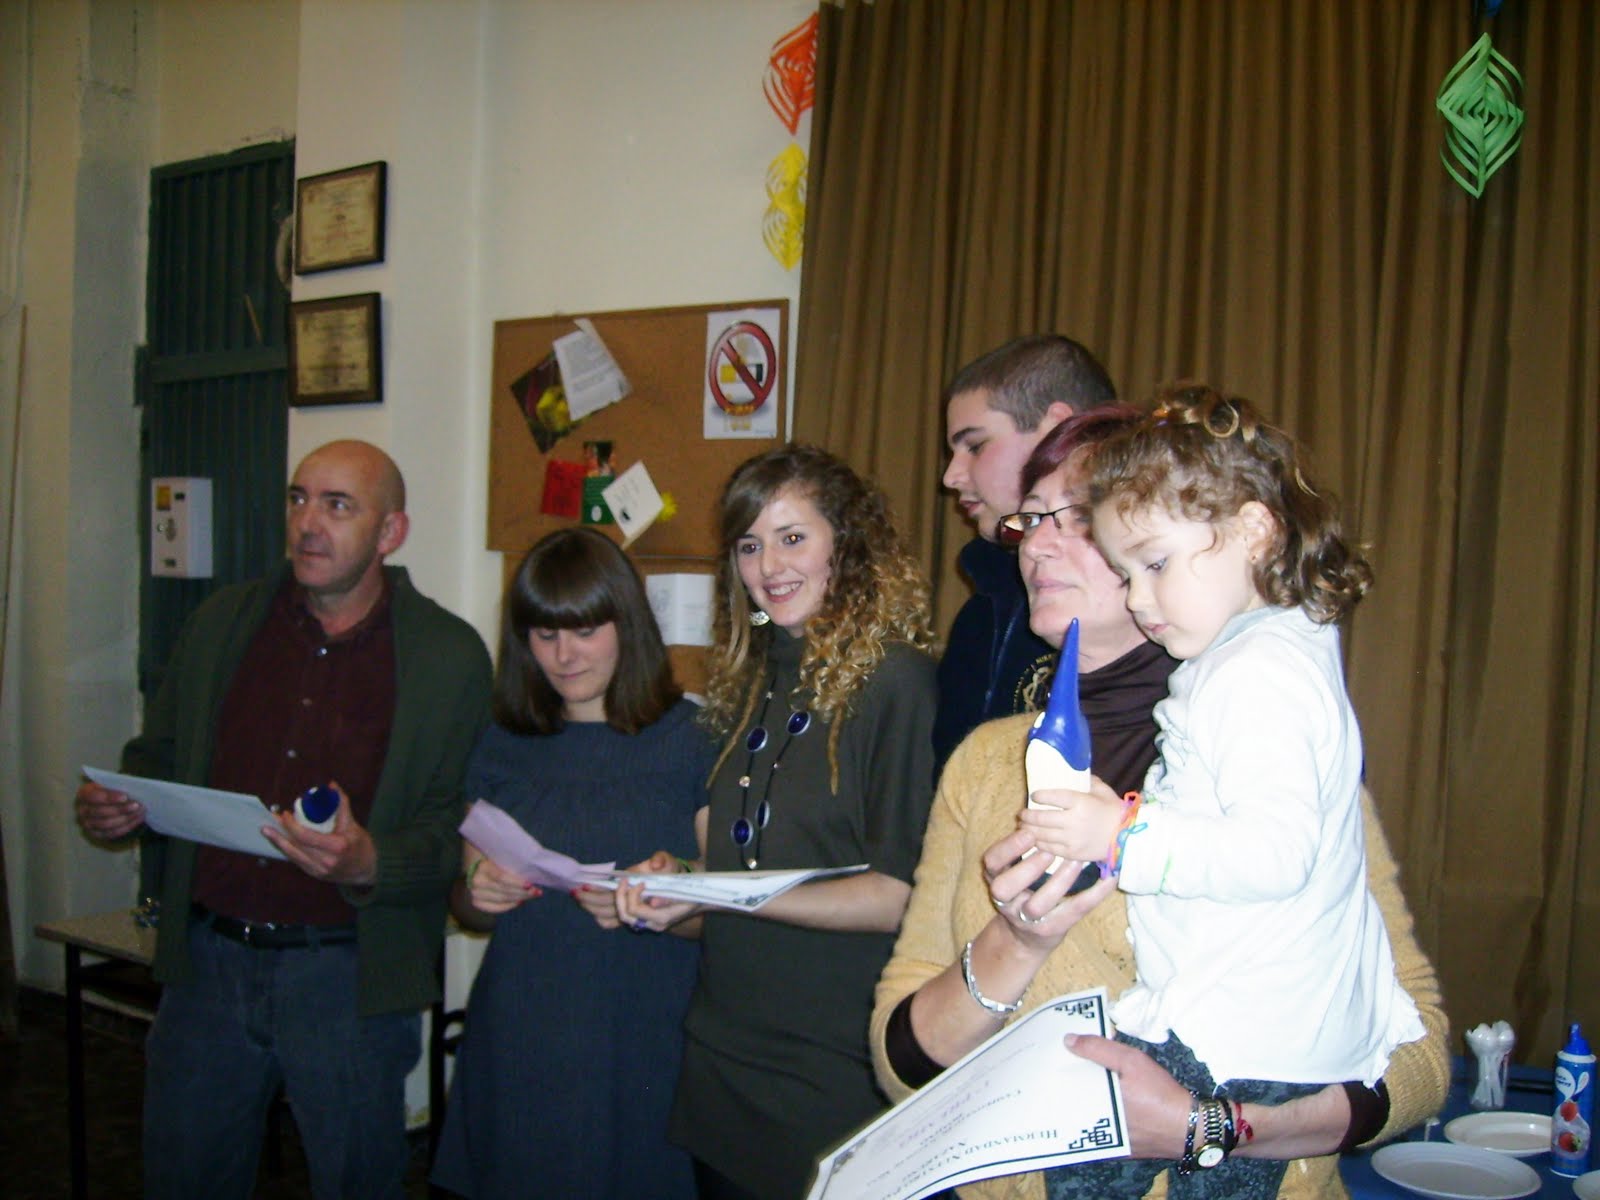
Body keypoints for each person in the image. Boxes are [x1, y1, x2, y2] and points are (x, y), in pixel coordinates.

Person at [871, 408, 1451, 1200]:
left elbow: (1417, 1056)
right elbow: (899, 1063)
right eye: (1030, 520)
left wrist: (1214, 1127)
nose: (1035, 546)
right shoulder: (988, 763)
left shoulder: (1259, 729)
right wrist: (1018, 941)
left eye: (1076, 518)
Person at [1021, 385, 1423, 1197]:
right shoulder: (1267, 654)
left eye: (1155, 564)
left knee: (1084, 1163)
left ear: (1253, 531)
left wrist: (1120, 835)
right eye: (1126, 572)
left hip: (1248, 1036)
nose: (1138, 598)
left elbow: (1273, 855)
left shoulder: (1259, 675)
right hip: (1243, 1021)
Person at [74, 439, 492, 1200]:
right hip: (207, 965)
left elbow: (457, 833)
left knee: (357, 1183)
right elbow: (157, 755)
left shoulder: (447, 657)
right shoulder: (222, 623)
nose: (308, 523)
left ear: (390, 532)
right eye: (299, 498)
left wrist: (371, 861)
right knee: (184, 1181)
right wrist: (120, 806)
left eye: (338, 505)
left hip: (346, 979)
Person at [614, 444, 940, 1200]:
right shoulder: (746, 680)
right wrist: (681, 888)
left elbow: (898, 895)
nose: (769, 566)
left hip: (831, 1075)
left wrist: (732, 893)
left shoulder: (898, 682)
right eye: (749, 545)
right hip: (721, 1064)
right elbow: (733, 877)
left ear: (845, 545)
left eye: (793, 537)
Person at [430, 527, 711, 1200]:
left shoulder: (692, 738)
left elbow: (723, 913)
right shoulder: (502, 742)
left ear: (627, 624)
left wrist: (663, 900)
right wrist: (478, 890)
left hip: (643, 1034)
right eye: (545, 634)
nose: (564, 655)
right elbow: (469, 905)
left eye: (585, 631)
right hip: (524, 1030)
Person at [935, 334, 1117, 771]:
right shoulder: (979, 617)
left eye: (975, 445)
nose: (951, 476)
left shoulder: (1139, 609)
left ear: (1059, 429)